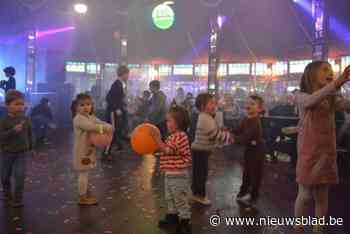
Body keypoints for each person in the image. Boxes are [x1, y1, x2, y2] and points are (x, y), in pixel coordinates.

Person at [293, 61, 350, 234]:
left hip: (327, 154)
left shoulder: (331, 99)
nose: (330, 72)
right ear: (311, 75)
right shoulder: (301, 96)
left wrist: (337, 88)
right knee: (304, 194)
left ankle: (318, 229)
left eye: (331, 70)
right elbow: (311, 101)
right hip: (309, 153)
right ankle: (298, 226)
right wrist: (336, 83)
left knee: (322, 195)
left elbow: (346, 105)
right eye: (325, 69)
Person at [150, 105, 192, 234]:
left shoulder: (180, 136)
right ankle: (172, 220)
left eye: (169, 121)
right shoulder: (172, 136)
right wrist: (157, 149)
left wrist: (157, 140)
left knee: (179, 199)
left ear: (178, 123)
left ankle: (185, 223)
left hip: (178, 175)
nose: (166, 123)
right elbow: (166, 151)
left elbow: (169, 150)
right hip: (171, 174)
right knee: (170, 198)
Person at [71, 93, 113, 205]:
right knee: (83, 173)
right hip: (82, 152)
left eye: (88, 104)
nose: (86, 107)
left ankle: (85, 193)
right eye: (82, 105)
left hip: (88, 151)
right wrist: (106, 128)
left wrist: (107, 125)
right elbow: (92, 127)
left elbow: (98, 122)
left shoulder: (90, 116)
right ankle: (82, 197)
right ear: (76, 107)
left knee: (86, 173)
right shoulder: (79, 119)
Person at [191, 93, 231, 205]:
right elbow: (214, 135)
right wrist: (229, 138)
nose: (215, 105)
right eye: (211, 103)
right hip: (200, 150)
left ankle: (195, 192)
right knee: (201, 174)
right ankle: (200, 195)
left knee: (198, 173)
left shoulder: (206, 117)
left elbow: (215, 131)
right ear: (203, 107)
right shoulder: (205, 118)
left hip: (200, 150)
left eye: (215, 103)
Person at [0, 90, 33, 207]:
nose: (20, 107)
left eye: (22, 104)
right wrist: (13, 131)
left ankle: (18, 199)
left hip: (22, 152)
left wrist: (31, 146)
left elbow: (29, 133)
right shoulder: (3, 120)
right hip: (7, 152)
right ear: (7, 105)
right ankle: (7, 194)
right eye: (16, 104)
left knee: (20, 175)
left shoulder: (26, 119)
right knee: (4, 176)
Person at [233, 95, 265, 207]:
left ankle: (253, 195)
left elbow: (246, 137)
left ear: (260, 109)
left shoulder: (255, 122)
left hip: (257, 152)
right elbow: (238, 130)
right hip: (249, 150)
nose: (249, 105)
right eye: (248, 103)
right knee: (247, 171)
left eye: (252, 104)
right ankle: (244, 191)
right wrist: (228, 131)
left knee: (255, 173)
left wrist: (233, 139)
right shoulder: (246, 119)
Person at [103, 65, 129, 161]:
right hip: (112, 113)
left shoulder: (119, 84)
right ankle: (105, 154)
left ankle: (118, 146)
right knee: (112, 132)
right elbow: (109, 98)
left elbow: (116, 98)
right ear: (124, 74)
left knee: (116, 131)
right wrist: (117, 108)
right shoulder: (117, 84)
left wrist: (122, 104)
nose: (128, 76)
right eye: (127, 74)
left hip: (114, 112)